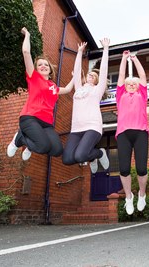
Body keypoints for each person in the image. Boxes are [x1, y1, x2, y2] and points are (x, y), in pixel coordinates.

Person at [7, 27, 74, 161]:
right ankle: (19, 138)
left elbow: (67, 89)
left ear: (50, 70)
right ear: (36, 69)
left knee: (57, 150)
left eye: (46, 65)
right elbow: (26, 52)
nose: (43, 66)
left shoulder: (53, 87)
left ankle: (30, 146)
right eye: (40, 65)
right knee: (43, 146)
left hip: (46, 123)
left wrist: (75, 77)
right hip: (30, 118)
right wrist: (27, 35)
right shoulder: (33, 77)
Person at [61, 39, 110, 173]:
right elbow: (76, 72)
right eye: (89, 74)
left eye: (93, 76)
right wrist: (79, 52)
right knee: (67, 159)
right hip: (76, 128)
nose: (90, 76)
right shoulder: (78, 88)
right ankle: (93, 157)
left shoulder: (97, 90)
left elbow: (104, 69)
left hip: (92, 127)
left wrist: (105, 49)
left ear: (97, 80)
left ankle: (99, 154)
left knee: (81, 155)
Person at [116, 50, 149, 215]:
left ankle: (142, 194)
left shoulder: (142, 95)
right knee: (124, 169)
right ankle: (129, 197)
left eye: (134, 83)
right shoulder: (120, 94)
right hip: (123, 134)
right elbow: (121, 75)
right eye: (128, 83)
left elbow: (142, 75)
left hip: (141, 132)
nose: (131, 84)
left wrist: (135, 59)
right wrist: (123, 59)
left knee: (142, 168)